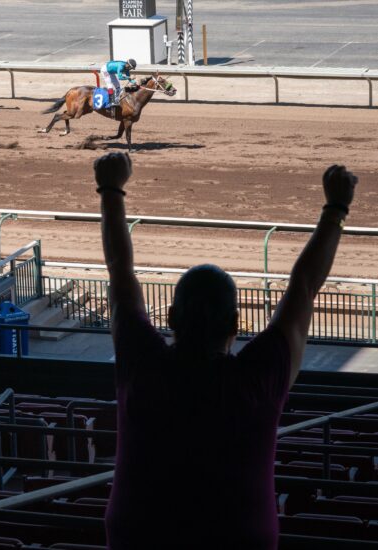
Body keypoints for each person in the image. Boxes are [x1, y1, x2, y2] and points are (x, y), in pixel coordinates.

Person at [95, 152, 357, 549]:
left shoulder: (141, 363)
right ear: (237, 326)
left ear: (170, 318)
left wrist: (111, 189)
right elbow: (304, 286)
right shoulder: (257, 379)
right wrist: (336, 207)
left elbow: (119, 269)